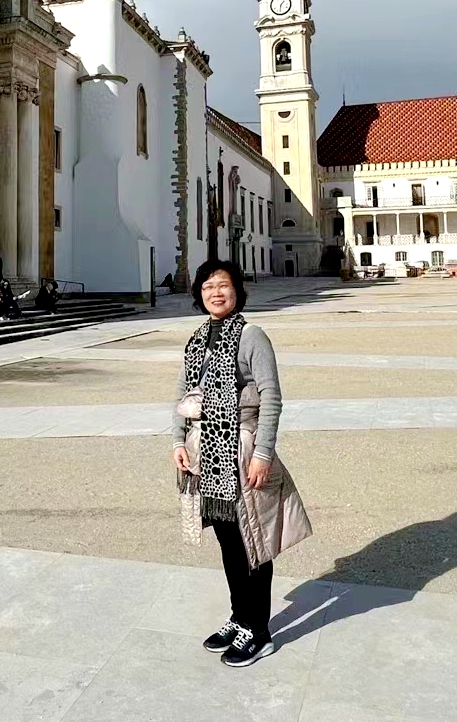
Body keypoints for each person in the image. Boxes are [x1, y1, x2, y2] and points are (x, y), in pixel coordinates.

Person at [171, 259, 312, 668]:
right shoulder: (197, 339)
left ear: (238, 291)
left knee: (255, 541)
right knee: (229, 540)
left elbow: (271, 397)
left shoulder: (252, 336)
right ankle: (240, 617)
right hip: (207, 454)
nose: (216, 293)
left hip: (242, 449)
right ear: (199, 294)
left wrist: (264, 453)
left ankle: (260, 629)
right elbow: (182, 393)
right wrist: (178, 440)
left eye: (223, 285)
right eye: (208, 286)